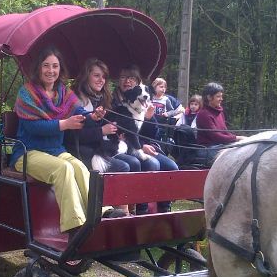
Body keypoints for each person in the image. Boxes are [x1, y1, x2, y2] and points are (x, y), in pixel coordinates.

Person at [10, 47, 105, 232]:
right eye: (46, 66)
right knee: (64, 169)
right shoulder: (27, 92)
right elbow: (33, 127)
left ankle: (101, 213)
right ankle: (75, 225)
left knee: (78, 166)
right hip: (28, 153)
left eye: (55, 66)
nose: (51, 71)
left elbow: (80, 114)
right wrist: (64, 124)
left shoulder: (64, 93)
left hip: (55, 151)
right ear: (38, 67)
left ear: (60, 69)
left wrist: (93, 117)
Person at [67, 58, 138, 216]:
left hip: (98, 147)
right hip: (80, 150)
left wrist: (116, 132)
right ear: (86, 76)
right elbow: (74, 136)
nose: (101, 80)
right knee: (124, 166)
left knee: (134, 162)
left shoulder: (101, 98)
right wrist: (102, 131)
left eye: (103, 77)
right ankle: (120, 214)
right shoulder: (75, 100)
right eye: (96, 76)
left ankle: (133, 212)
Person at [113, 65, 179, 214]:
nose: (127, 81)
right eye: (123, 77)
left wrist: (149, 118)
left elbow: (153, 133)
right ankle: (142, 211)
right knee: (152, 163)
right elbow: (125, 133)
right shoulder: (114, 101)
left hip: (147, 145)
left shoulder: (144, 99)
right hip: (128, 146)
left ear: (138, 82)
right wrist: (142, 147)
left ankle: (164, 210)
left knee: (172, 167)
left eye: (132, 78)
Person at [194, 82, 246, 163]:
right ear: (209, 97)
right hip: (207, 149)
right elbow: (216, 136)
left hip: (219, 146)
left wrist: (237, 139)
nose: (221, 99)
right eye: (218, 96)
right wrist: (236, 138)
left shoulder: (219, 112)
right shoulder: (204, 114)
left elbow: (224, 131)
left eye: (221, 96)